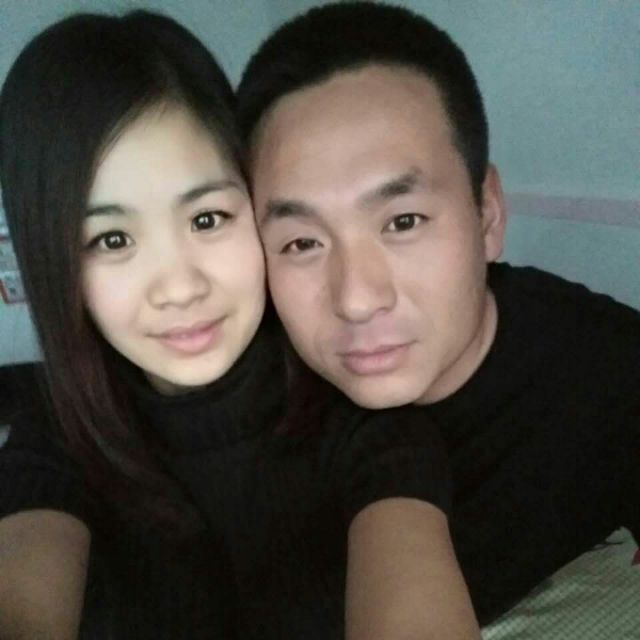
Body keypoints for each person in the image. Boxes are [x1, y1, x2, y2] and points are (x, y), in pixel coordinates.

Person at [0, 9, 479, 640]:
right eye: (112, 239)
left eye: (207, 219)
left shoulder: (362, 421)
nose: (180, 288)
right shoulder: (56, 435)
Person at [236, 0, 640, 625]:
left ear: (488, 215)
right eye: (302, 243)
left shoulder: (610, 374)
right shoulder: (241, 411)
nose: (356, 299)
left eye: (403, 221)